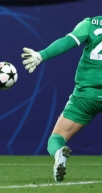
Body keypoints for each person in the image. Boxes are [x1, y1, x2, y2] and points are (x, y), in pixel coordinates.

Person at [21, 16, 102, 182]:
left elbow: (67, 42)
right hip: (86, 94)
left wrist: (41, 55)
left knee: (57, 137)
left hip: (86, 96)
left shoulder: (90, 24)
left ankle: (59, 153)